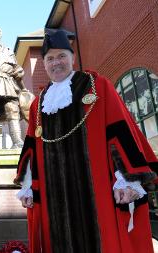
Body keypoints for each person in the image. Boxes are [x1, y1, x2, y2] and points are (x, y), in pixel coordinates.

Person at [14, 30, 157, 253]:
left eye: (61, 56)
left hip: (97, 197)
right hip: (55, 202)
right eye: (49, 59)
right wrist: (28, 187)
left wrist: (127, 180)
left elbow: (120, 134)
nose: (56, 63)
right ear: (44, 64)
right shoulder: (38, 105)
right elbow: (31, 148)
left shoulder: (97, 87)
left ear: (72, 58)